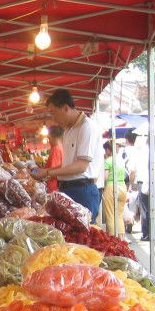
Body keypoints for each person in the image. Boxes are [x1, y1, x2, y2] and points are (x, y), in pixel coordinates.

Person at [32, 89, 102, 218]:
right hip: (67, 189)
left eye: (54, 113)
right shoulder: (68, 130)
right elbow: (67, 165)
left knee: (81, 235)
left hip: (82, 191)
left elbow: (81, 166)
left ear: (65, 108)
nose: (53, 119)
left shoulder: (87, 127)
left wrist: (47, 172)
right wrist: (46, 171)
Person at [102, 141, 127, 237]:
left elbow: (105, 177)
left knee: (110, 215)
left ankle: (113, 239)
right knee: (119, 215)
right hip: (122, 187)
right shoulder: (121, 160)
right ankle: (121, 238)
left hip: (111, 187)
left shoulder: (108, 161)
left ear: (108, 149)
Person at [45, 126, 64, 192]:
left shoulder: (56, 149)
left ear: (50, 136)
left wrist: (34, 172)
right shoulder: (61, 148)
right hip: (57, 186)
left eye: (48, 138)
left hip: (53, 188)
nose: (48, 141)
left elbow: (53, 172)